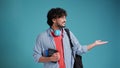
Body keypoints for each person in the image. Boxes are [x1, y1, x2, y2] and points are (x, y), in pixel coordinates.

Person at [33, 7, 108, 68]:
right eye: (62, 18)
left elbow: (79, 50)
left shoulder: (68, 34)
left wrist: (94, 44)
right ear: (53, 20)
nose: (65, 20)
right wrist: (50, 59)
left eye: (65, 18)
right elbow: (36, 57)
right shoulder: (42, 37)